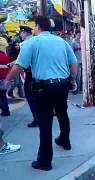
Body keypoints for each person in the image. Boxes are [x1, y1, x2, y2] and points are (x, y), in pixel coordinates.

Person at [5, 16, 77, 171]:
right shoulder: (62, 42)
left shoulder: (32, 42)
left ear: (38, 27)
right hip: (62, 85)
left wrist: (8, 78)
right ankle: (65, 140)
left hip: (44, 88)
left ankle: (45, 161)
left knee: (45, 124)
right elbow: (73, 62)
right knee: (62, 113)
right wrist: (72, 80)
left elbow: (20, 65)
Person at [19, 26, 38, 128]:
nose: (20, 35)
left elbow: (22, 61)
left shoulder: (24, 44)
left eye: (21, 33)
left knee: (30, 97)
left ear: (25, 33)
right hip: (39, 73)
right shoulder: (37, 41)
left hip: (30, 73)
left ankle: (36, 119)